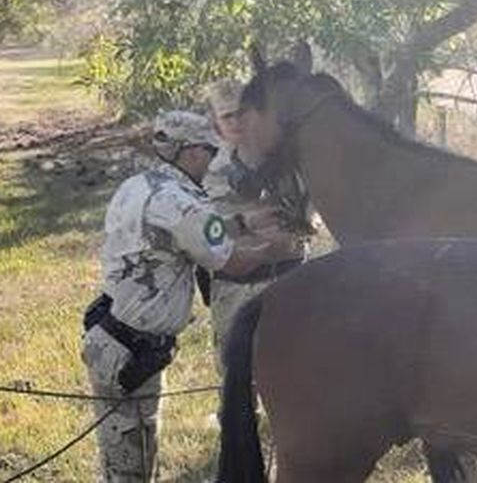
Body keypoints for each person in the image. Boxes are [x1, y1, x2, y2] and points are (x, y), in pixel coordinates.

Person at [82, 110, 303, 482]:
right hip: (130, 354)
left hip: (116, 338)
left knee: (131, 455)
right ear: (190, 152)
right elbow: (229, 263)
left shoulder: (141, 185)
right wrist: (273, 251)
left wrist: (246, 223)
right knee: (130, 468)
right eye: (208, 150)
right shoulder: (181, 203)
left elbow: (188, 234)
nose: (212, 159)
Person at [201, 80, 308, 375]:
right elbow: (201, 233)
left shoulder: (288, 163)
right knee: (236, 380)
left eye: (242, 112)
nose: (236, 122)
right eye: (227, 116)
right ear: (215, 123)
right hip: (233, 288)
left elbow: (308, 216)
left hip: (289, 280)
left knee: (296, 374)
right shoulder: (204, 171)